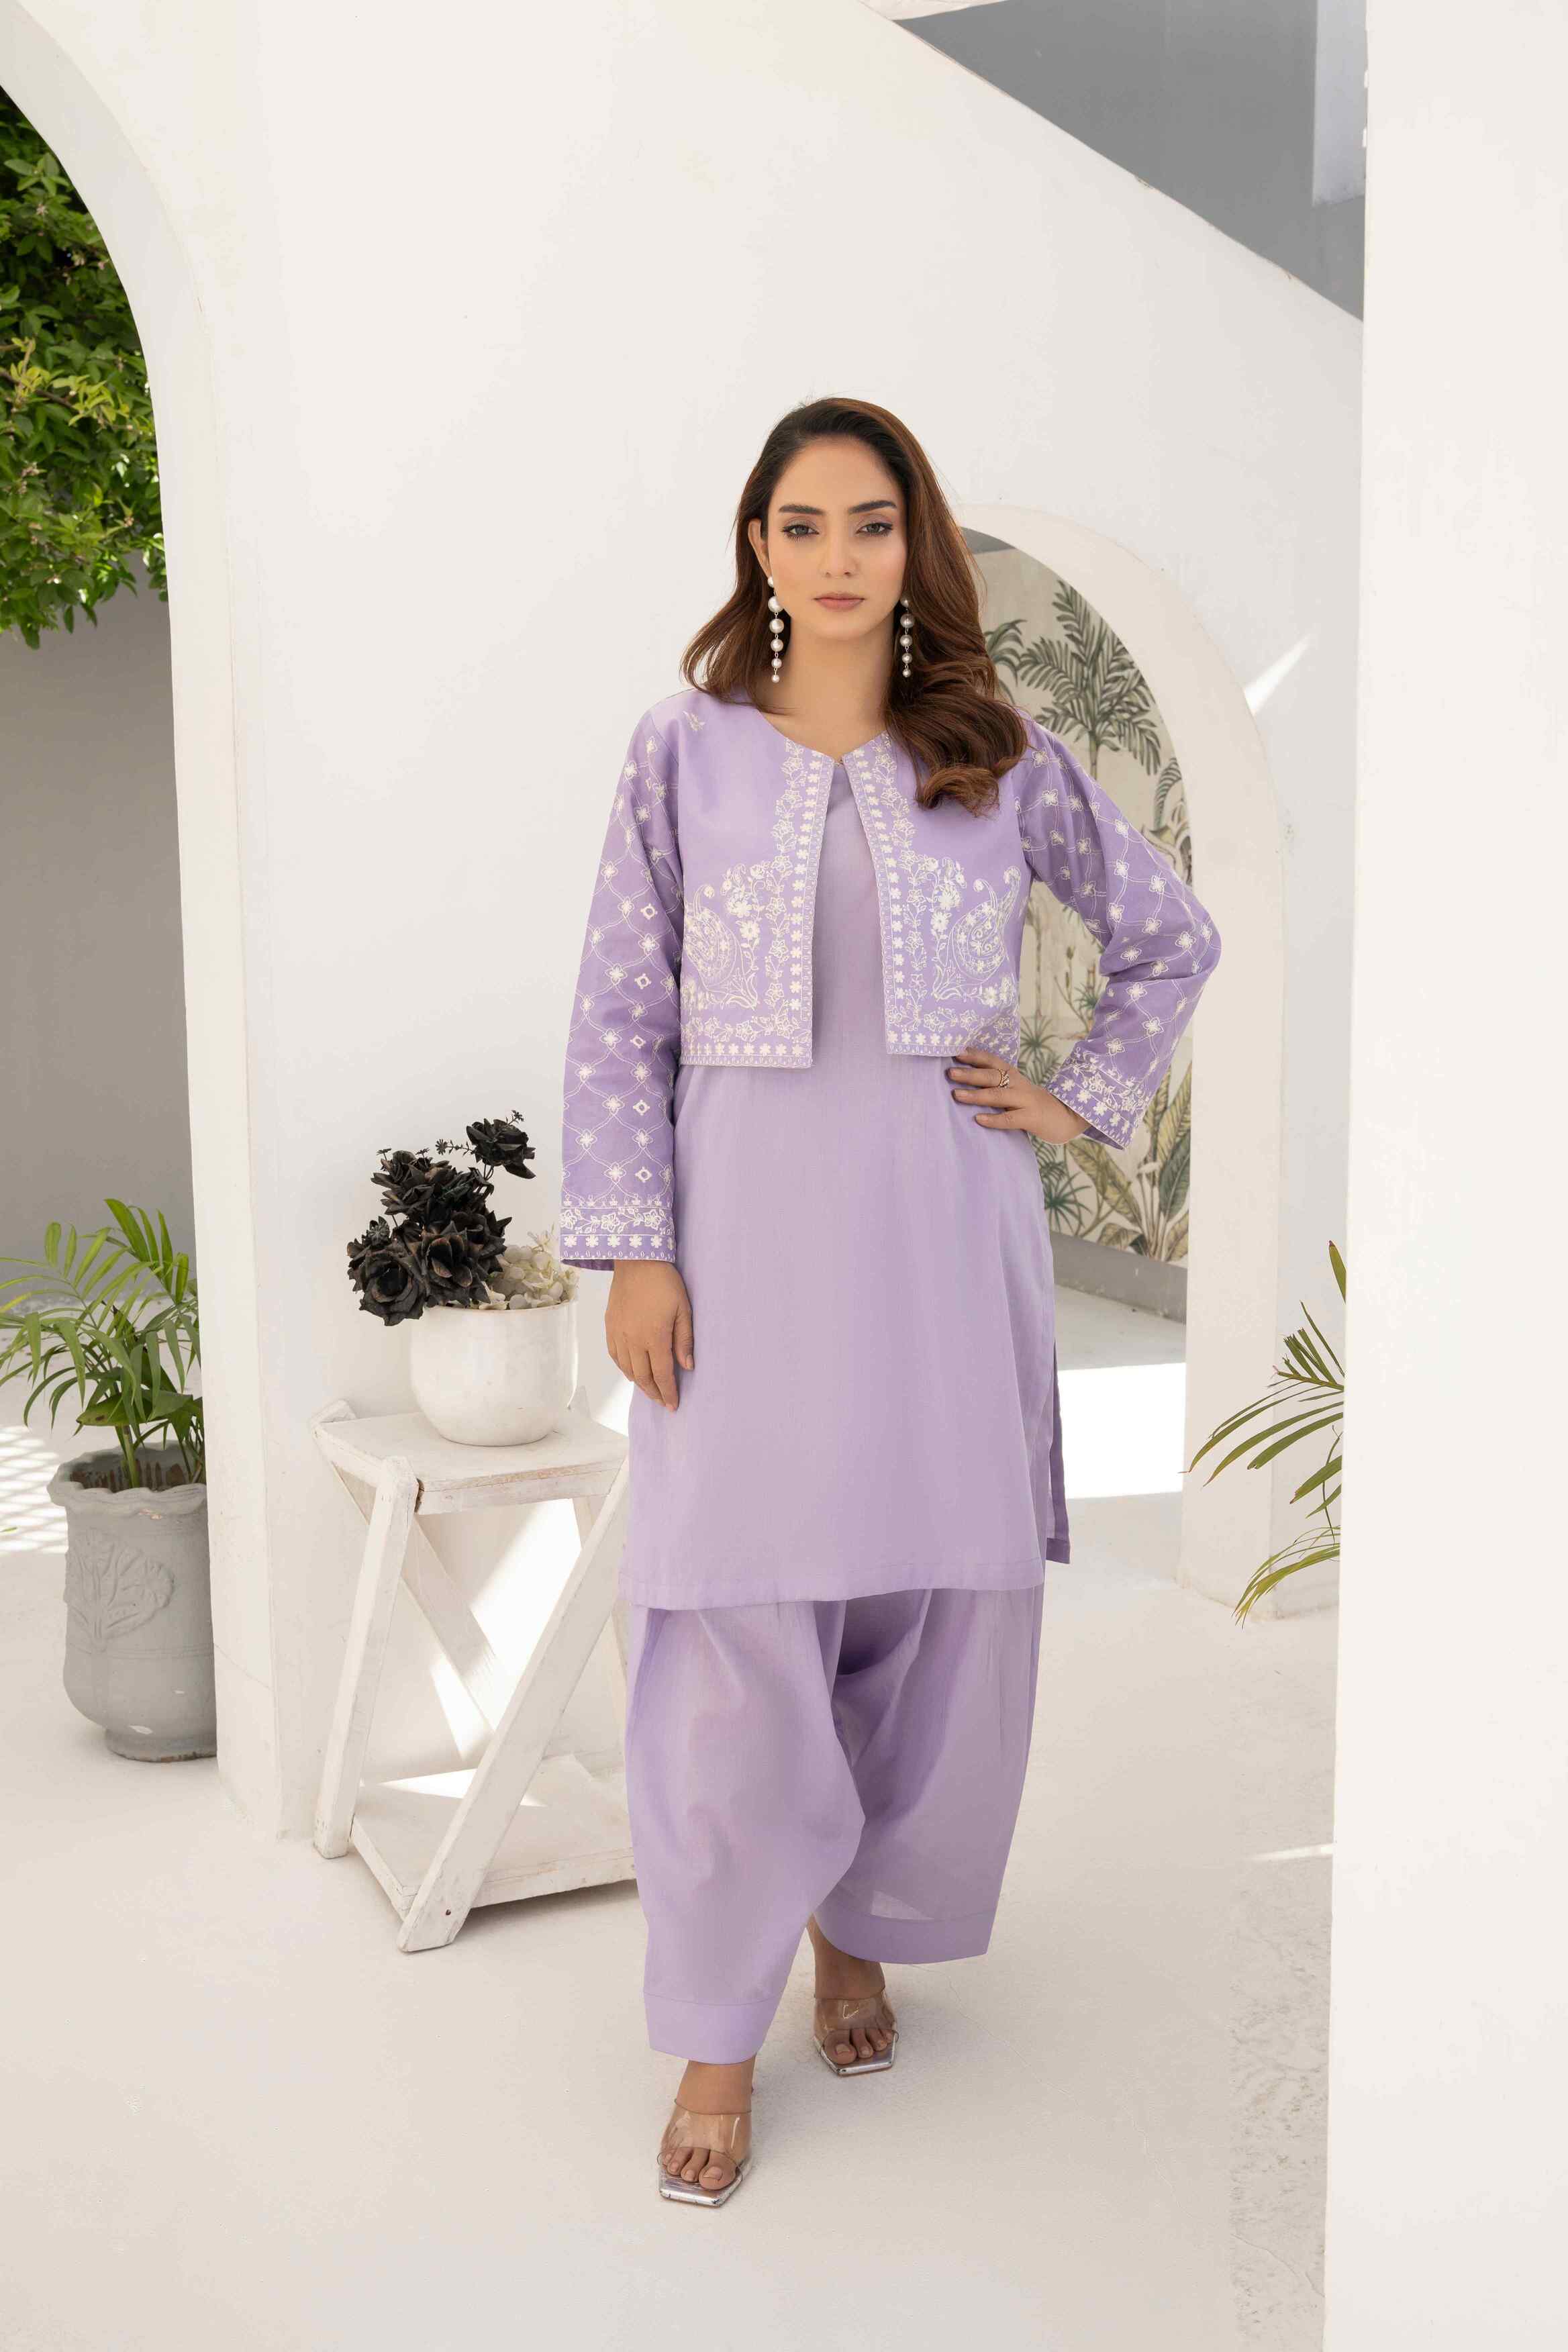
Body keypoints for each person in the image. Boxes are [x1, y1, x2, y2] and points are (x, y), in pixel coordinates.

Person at [558, 395, 1222, 2206]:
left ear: (914, 544)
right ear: (757, 547)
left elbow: (1172, 937)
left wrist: (1076, 1097)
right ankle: (718, 2027)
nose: (837, 559)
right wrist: (634, 1249)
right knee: (729, 1620)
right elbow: (618, 1012)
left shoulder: (996, 754)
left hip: (942, 1231)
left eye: (871, 524)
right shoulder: (682, 751)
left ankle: (854, 1931)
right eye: (802, 525)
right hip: (739, 1241)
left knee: (919, 1605)